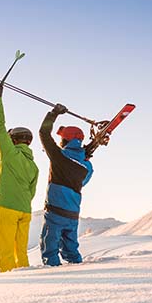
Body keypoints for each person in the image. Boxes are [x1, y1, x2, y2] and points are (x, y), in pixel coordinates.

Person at [0, 83, 40, 272]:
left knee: (5, 250)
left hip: (8, 208)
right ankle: (25, 274)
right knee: (21, 250)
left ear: (13, 139)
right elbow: (32, 191)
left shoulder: (10, 154)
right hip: (25, 211)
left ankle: (7, 281)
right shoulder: (34, 165)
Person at [38, 104, 94, 266]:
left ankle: (53, 276)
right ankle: (77, 269)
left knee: (50, 249)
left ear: (64, 140)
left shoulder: (59, 156)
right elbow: (83, 182)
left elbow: (43, 133)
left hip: (55, 211)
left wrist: (54, 114)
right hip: (73, 213)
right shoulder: (87, 166)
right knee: (71, 249)